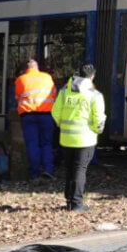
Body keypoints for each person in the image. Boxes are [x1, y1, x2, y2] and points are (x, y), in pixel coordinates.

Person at [51, 64, 105, 212]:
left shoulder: (64, 92)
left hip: (67, 138)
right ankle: (77, 204)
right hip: (86, 139)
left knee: (69, 169)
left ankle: (69, 200)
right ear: (92, 77)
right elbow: (99, 120)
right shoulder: (95, 95)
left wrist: (64, 126)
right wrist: (94, 131)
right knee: (80, 170)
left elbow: (55, 113)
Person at [15, 58, 57, 180]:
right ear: (37, 67)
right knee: (47, 143)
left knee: (32, 144)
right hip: (46, 115)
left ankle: (34, 173)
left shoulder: (20, 79)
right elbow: (54, 94)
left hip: (28, 115)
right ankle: (48, 170)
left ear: (26, 69)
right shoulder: (47, 77)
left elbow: (17, 98)